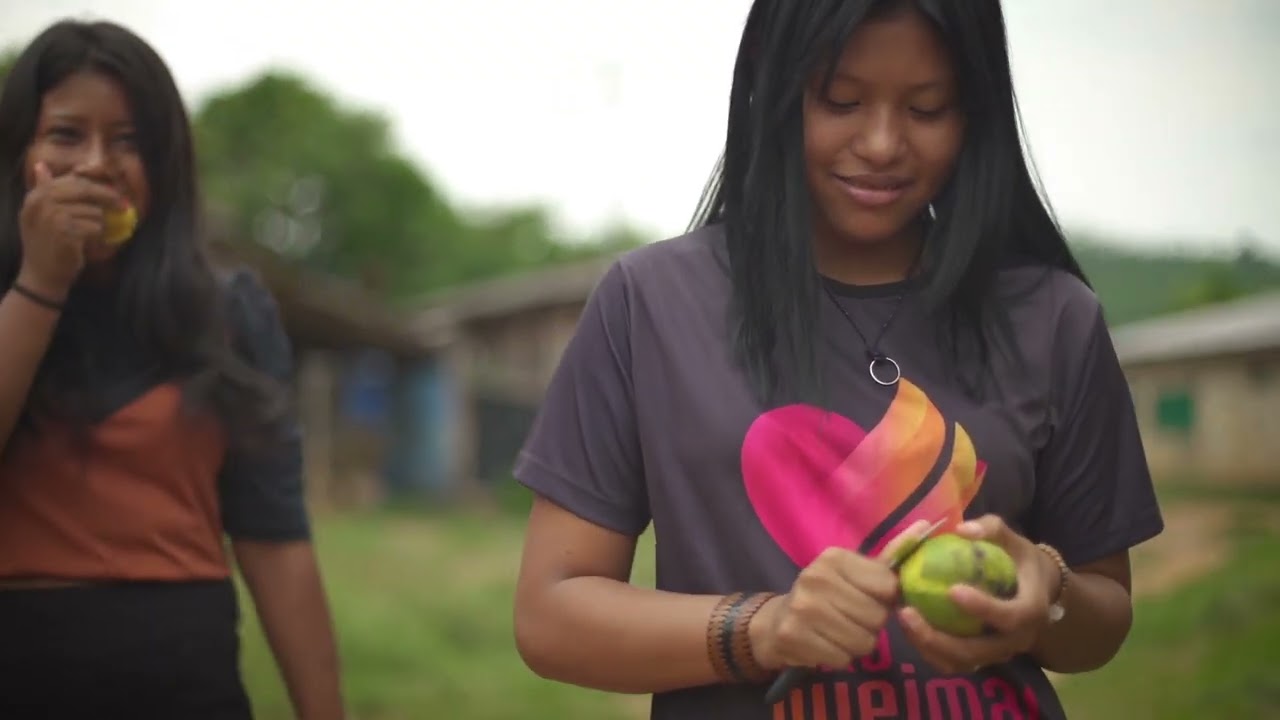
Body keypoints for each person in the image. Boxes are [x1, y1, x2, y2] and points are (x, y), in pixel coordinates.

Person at [512, 1, 1165, 718]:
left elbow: (1106, 616)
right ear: (771, 87)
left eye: (928, 108)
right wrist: (763, 628)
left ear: (974, 113)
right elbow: (551, 615)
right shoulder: (650, 305)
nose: (882, 143)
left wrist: (1046, 594)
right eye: (841, 100)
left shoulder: (1055, 318)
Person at [0, 20, 344, 719]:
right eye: (66, 135)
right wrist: (41, 283)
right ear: (19, 153)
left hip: (186, 684)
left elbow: (274, 539)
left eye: (129, 141)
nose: (97, 164)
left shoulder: (227, 314)